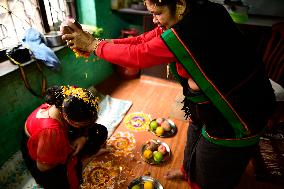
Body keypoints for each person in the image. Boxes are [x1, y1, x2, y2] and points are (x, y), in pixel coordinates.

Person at [61, 0, 276, 188]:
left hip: (239, 112)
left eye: (157, 12)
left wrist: (93, 45)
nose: (153, 19)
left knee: (213, 171)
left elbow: (139, 54)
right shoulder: (195, 14)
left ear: (180, 5)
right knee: (193, 140)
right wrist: (96, 44)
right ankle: (187, 173)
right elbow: (141, 41)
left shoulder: (192, 30)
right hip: (208, 106)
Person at [20, 85, 108, 189]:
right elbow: (43, 167)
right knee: (67, 183)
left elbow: (86, 127)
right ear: (66, 117)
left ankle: (86, 155)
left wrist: (84, 138)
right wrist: (68, 150)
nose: (86, 127)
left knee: (99, 131)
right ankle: (82, 160)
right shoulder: (51, 133)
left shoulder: (66, 96)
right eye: (82, 124)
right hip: (44, 161)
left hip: (48, 144)